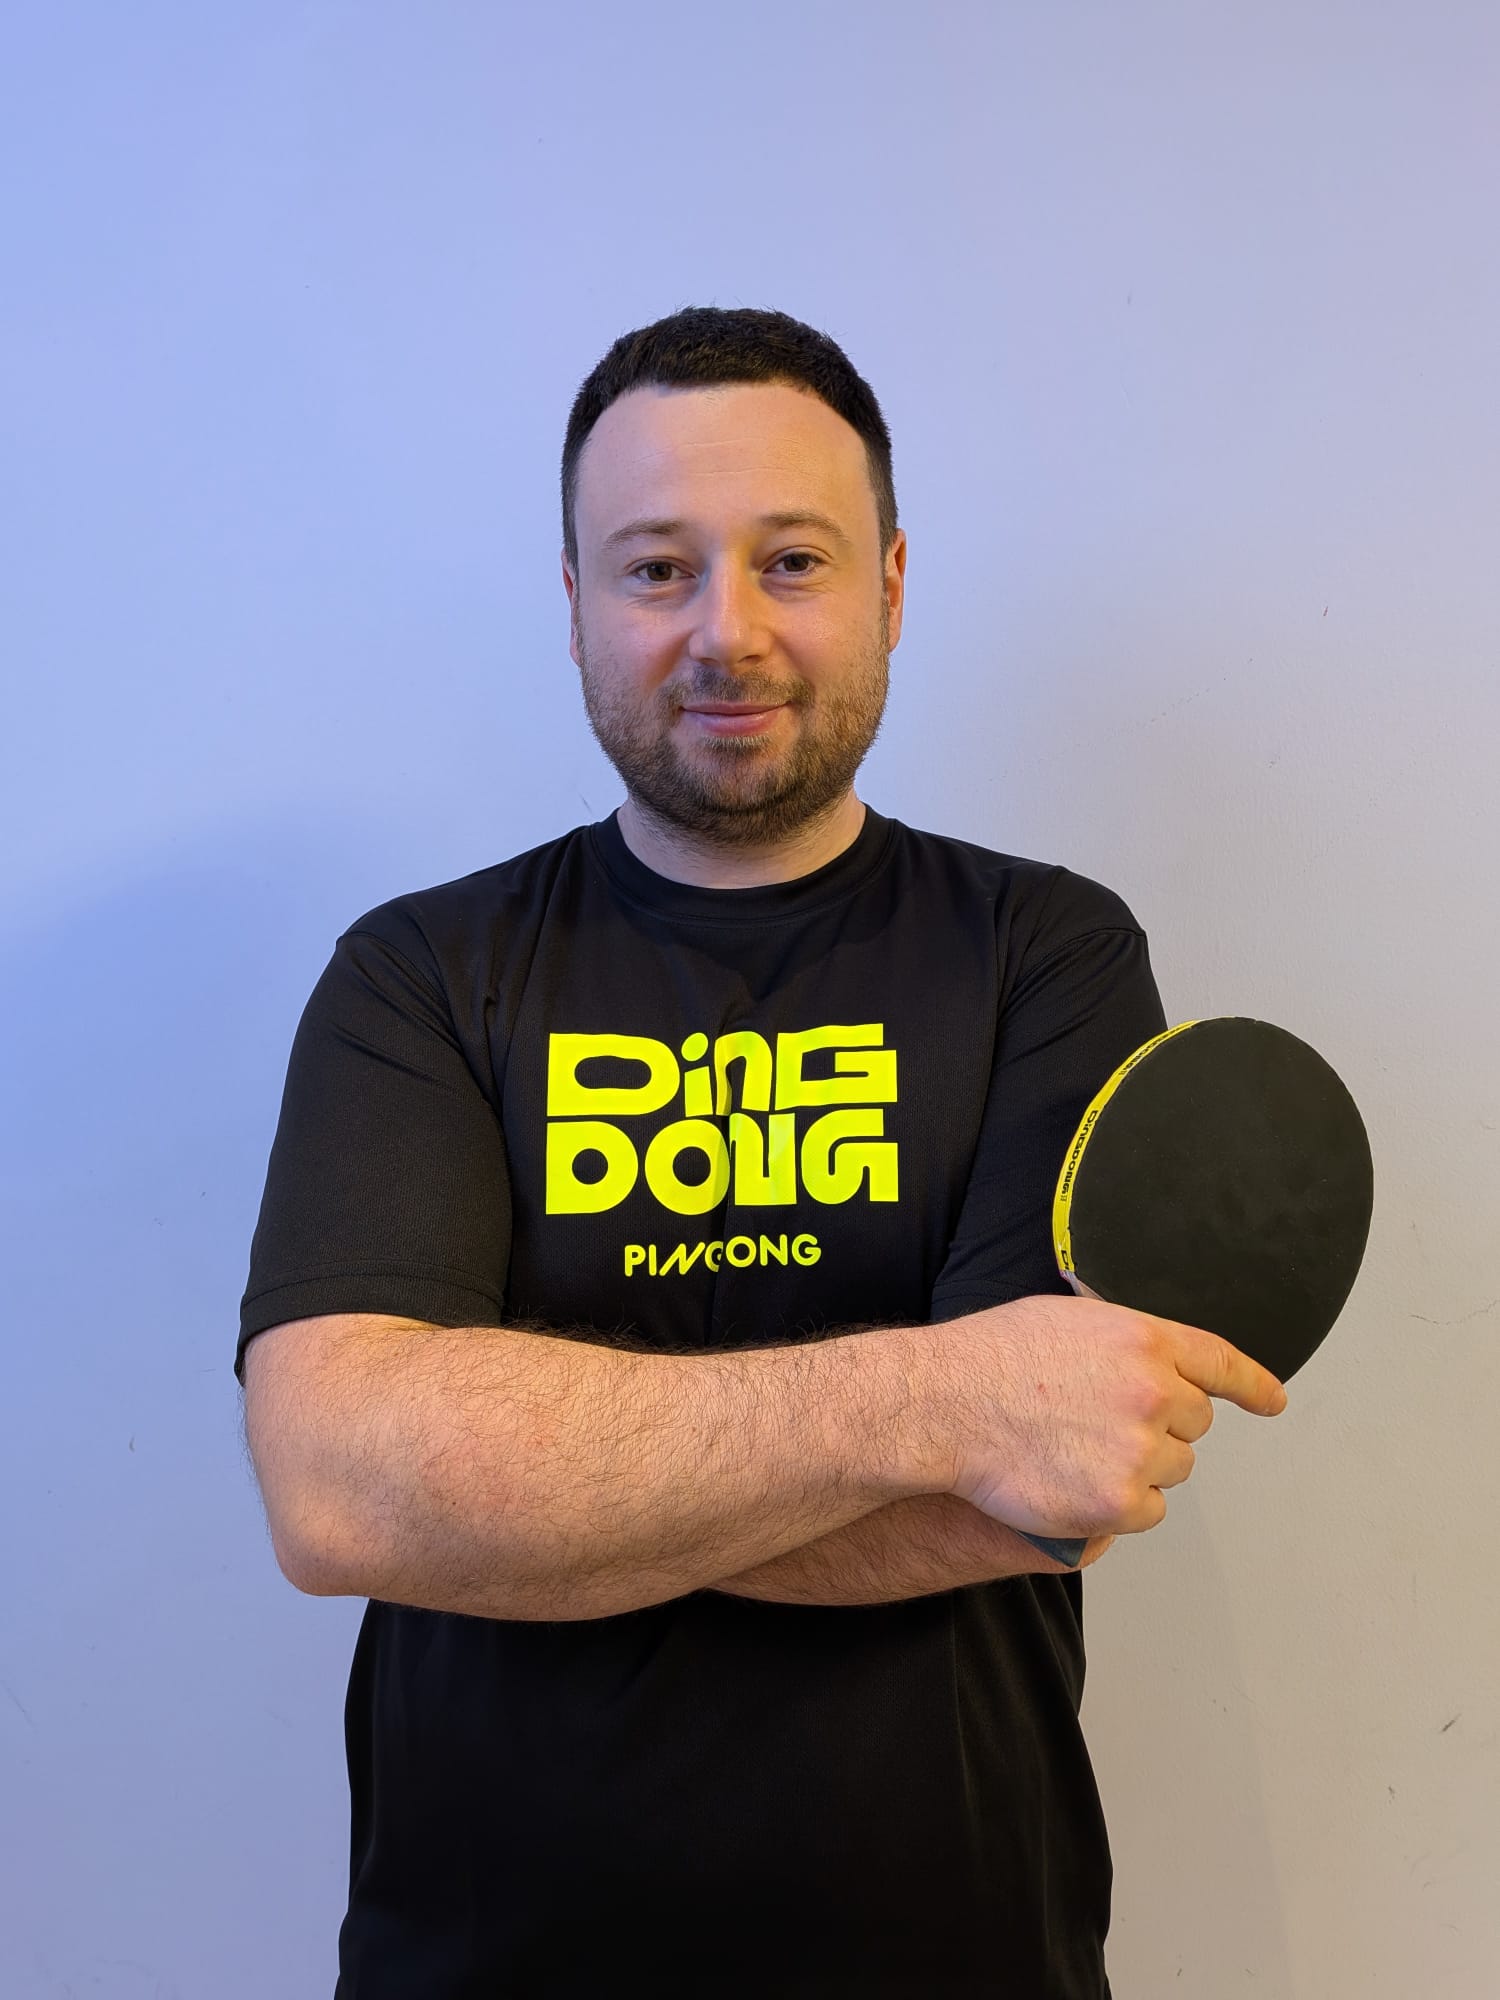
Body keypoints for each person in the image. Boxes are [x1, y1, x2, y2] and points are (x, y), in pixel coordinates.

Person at [237, 305, 1286, 1998]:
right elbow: (340, 1487)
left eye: (791, 560)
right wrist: (945, 1396)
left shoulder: (1046, 953)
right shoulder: (421, 973)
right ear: (575, 604)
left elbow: (1049, 1489)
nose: (726, 632)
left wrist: (521, 1493)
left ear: (890, 584)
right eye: (657, 569)